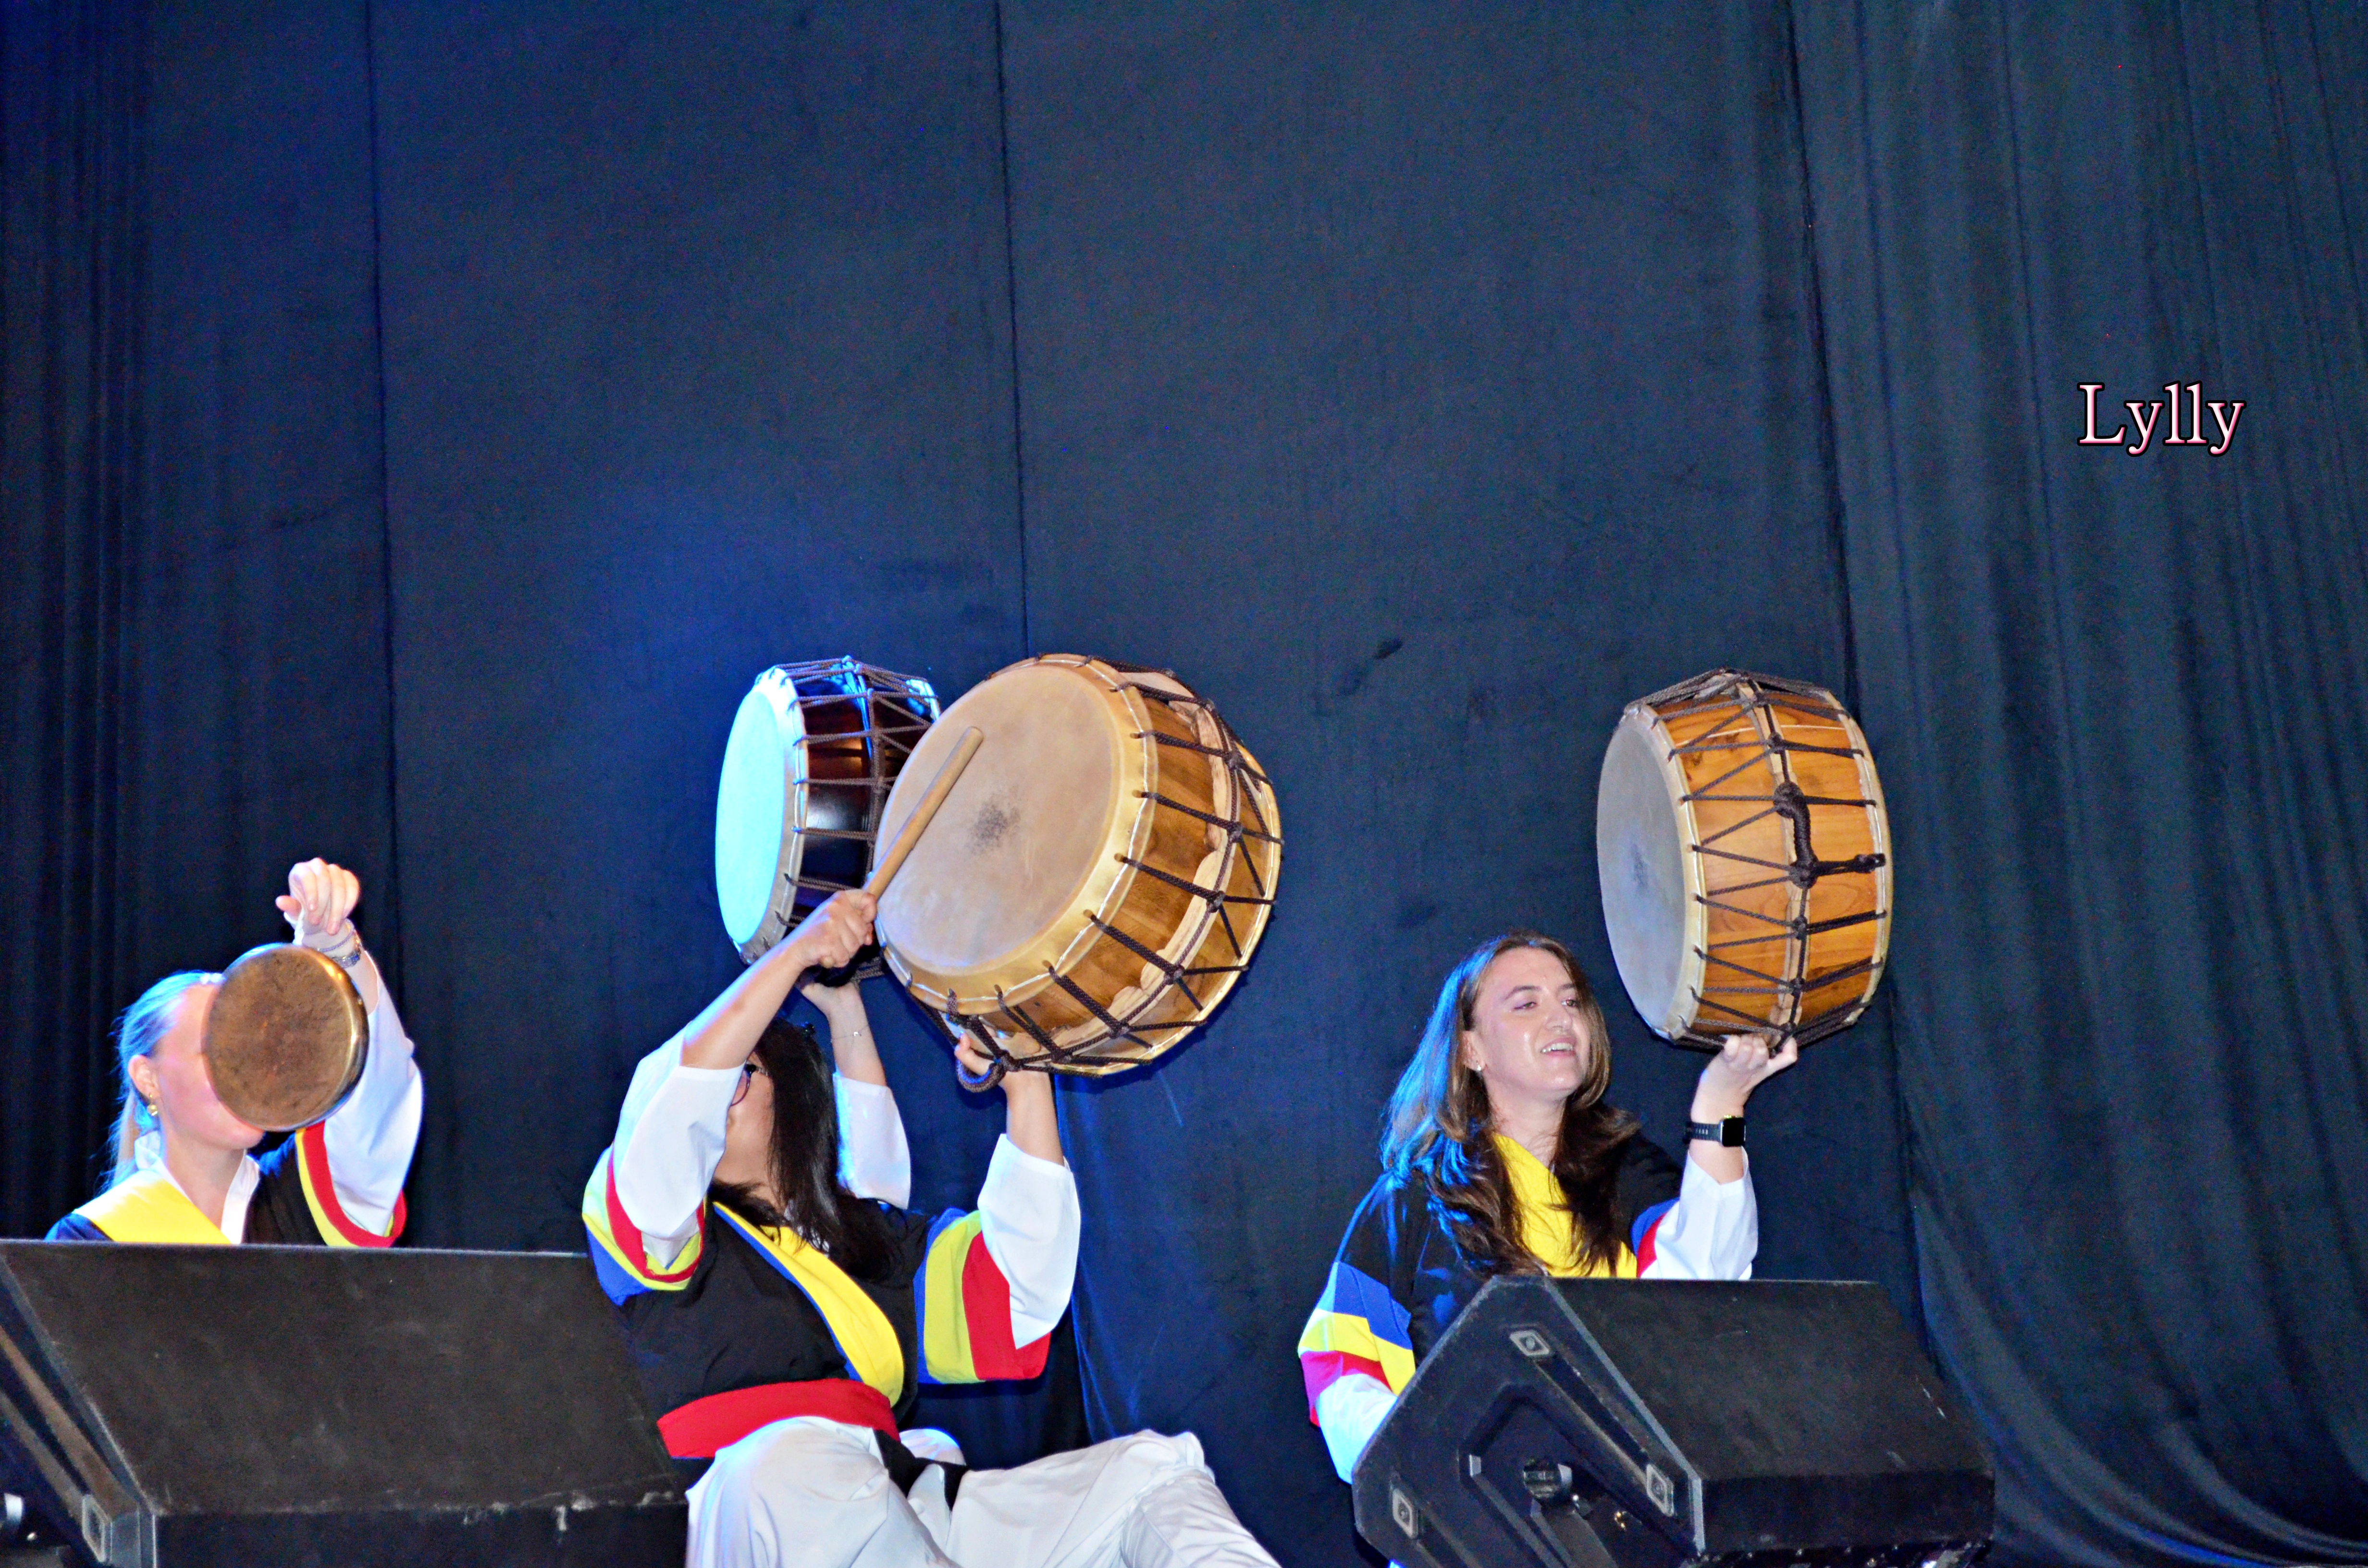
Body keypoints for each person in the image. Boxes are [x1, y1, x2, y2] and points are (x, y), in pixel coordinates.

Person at [585, 889, 1278, 1568]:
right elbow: (669, 1109)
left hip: (894, 1501)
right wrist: (793, 955)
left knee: (1152, 1473)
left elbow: (1017, 1293)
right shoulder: (671, 1241)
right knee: (793, 1463)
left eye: (742, 1073)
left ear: (794, 1097)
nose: (717, 1090)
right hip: (761, 1514)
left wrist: (1024, 1077)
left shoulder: (866, 1249)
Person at [1298, 931, 1797, 1483]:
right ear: (1470, 1049)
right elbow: (1342, 1367)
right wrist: (1442, 1468)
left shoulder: (1629, 1169)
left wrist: (1720, 1107)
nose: (1560, 1019)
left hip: (1635, 1496)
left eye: (1570, 1001)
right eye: (1526, 1004)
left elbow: (1702, 1289)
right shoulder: (1413, 1199)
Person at [47, 858, 421, 1246]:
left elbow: (380, 1088)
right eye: (218, 1051)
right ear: (148, 1078)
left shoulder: (318, 1197)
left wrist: (333, 944)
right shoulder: (90, 1241)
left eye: (257, 1050)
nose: (250, 1071)